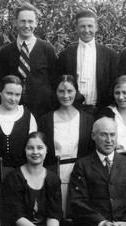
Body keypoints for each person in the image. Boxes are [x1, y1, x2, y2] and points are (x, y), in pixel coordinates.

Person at [38, 75, 95, 216]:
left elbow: (91, 150)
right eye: (61, 91)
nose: (66, 95)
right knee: (57, 214)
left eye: (70, 91)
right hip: (54, 173)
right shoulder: (46, 120)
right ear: (55, 93)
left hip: (80, 174)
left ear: (76, 92)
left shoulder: (88, 119)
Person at [0, 2, 57, 118]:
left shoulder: (47, 49)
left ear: (36, 23)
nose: (26, 25)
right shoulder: (6, 52)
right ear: (16, 22)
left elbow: (55, 80)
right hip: (13, 111)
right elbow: (1, 83)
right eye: (22, 21)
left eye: (30, 21)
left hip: (42, 111)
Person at [57, 9, 118, 115]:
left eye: (90, 26)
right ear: (76, 28)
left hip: (101, 110)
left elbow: (114, 83)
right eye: (82, 26)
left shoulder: (109, 54)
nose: (86, 30)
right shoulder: (65, 54)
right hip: (73, 110)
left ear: (96, 27)